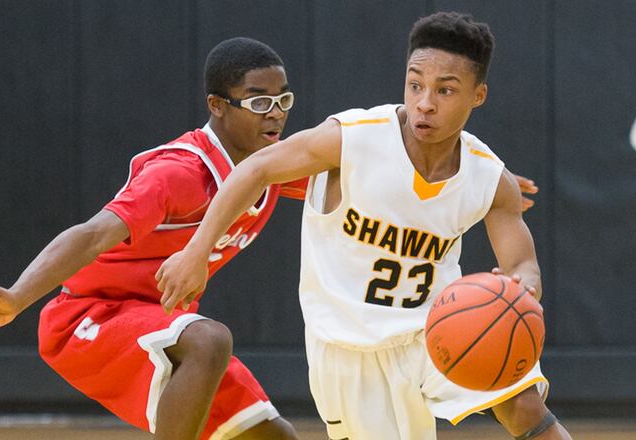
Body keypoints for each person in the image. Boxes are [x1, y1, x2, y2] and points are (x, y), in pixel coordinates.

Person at [156, 12, 571, 440]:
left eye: (445, 90)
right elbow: (257, 167)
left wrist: (523, 287)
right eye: (415, 84)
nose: (425, 102)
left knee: (524, 407)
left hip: (440, 329)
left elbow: (524, 266)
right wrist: (196, 252)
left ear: (478, 95)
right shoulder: (353, 137)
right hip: (349, 346)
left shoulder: (489, 178)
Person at [0, 37, 303, 440]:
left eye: (283, 101)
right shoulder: (179, 172)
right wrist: (16, 297)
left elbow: (353, 162)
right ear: (217, 105)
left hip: (165, 324)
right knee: (209, 340)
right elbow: (92, 235)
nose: (275, 115)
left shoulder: (273, 162)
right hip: (91, 315)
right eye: (259, 102)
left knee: (273, 436)